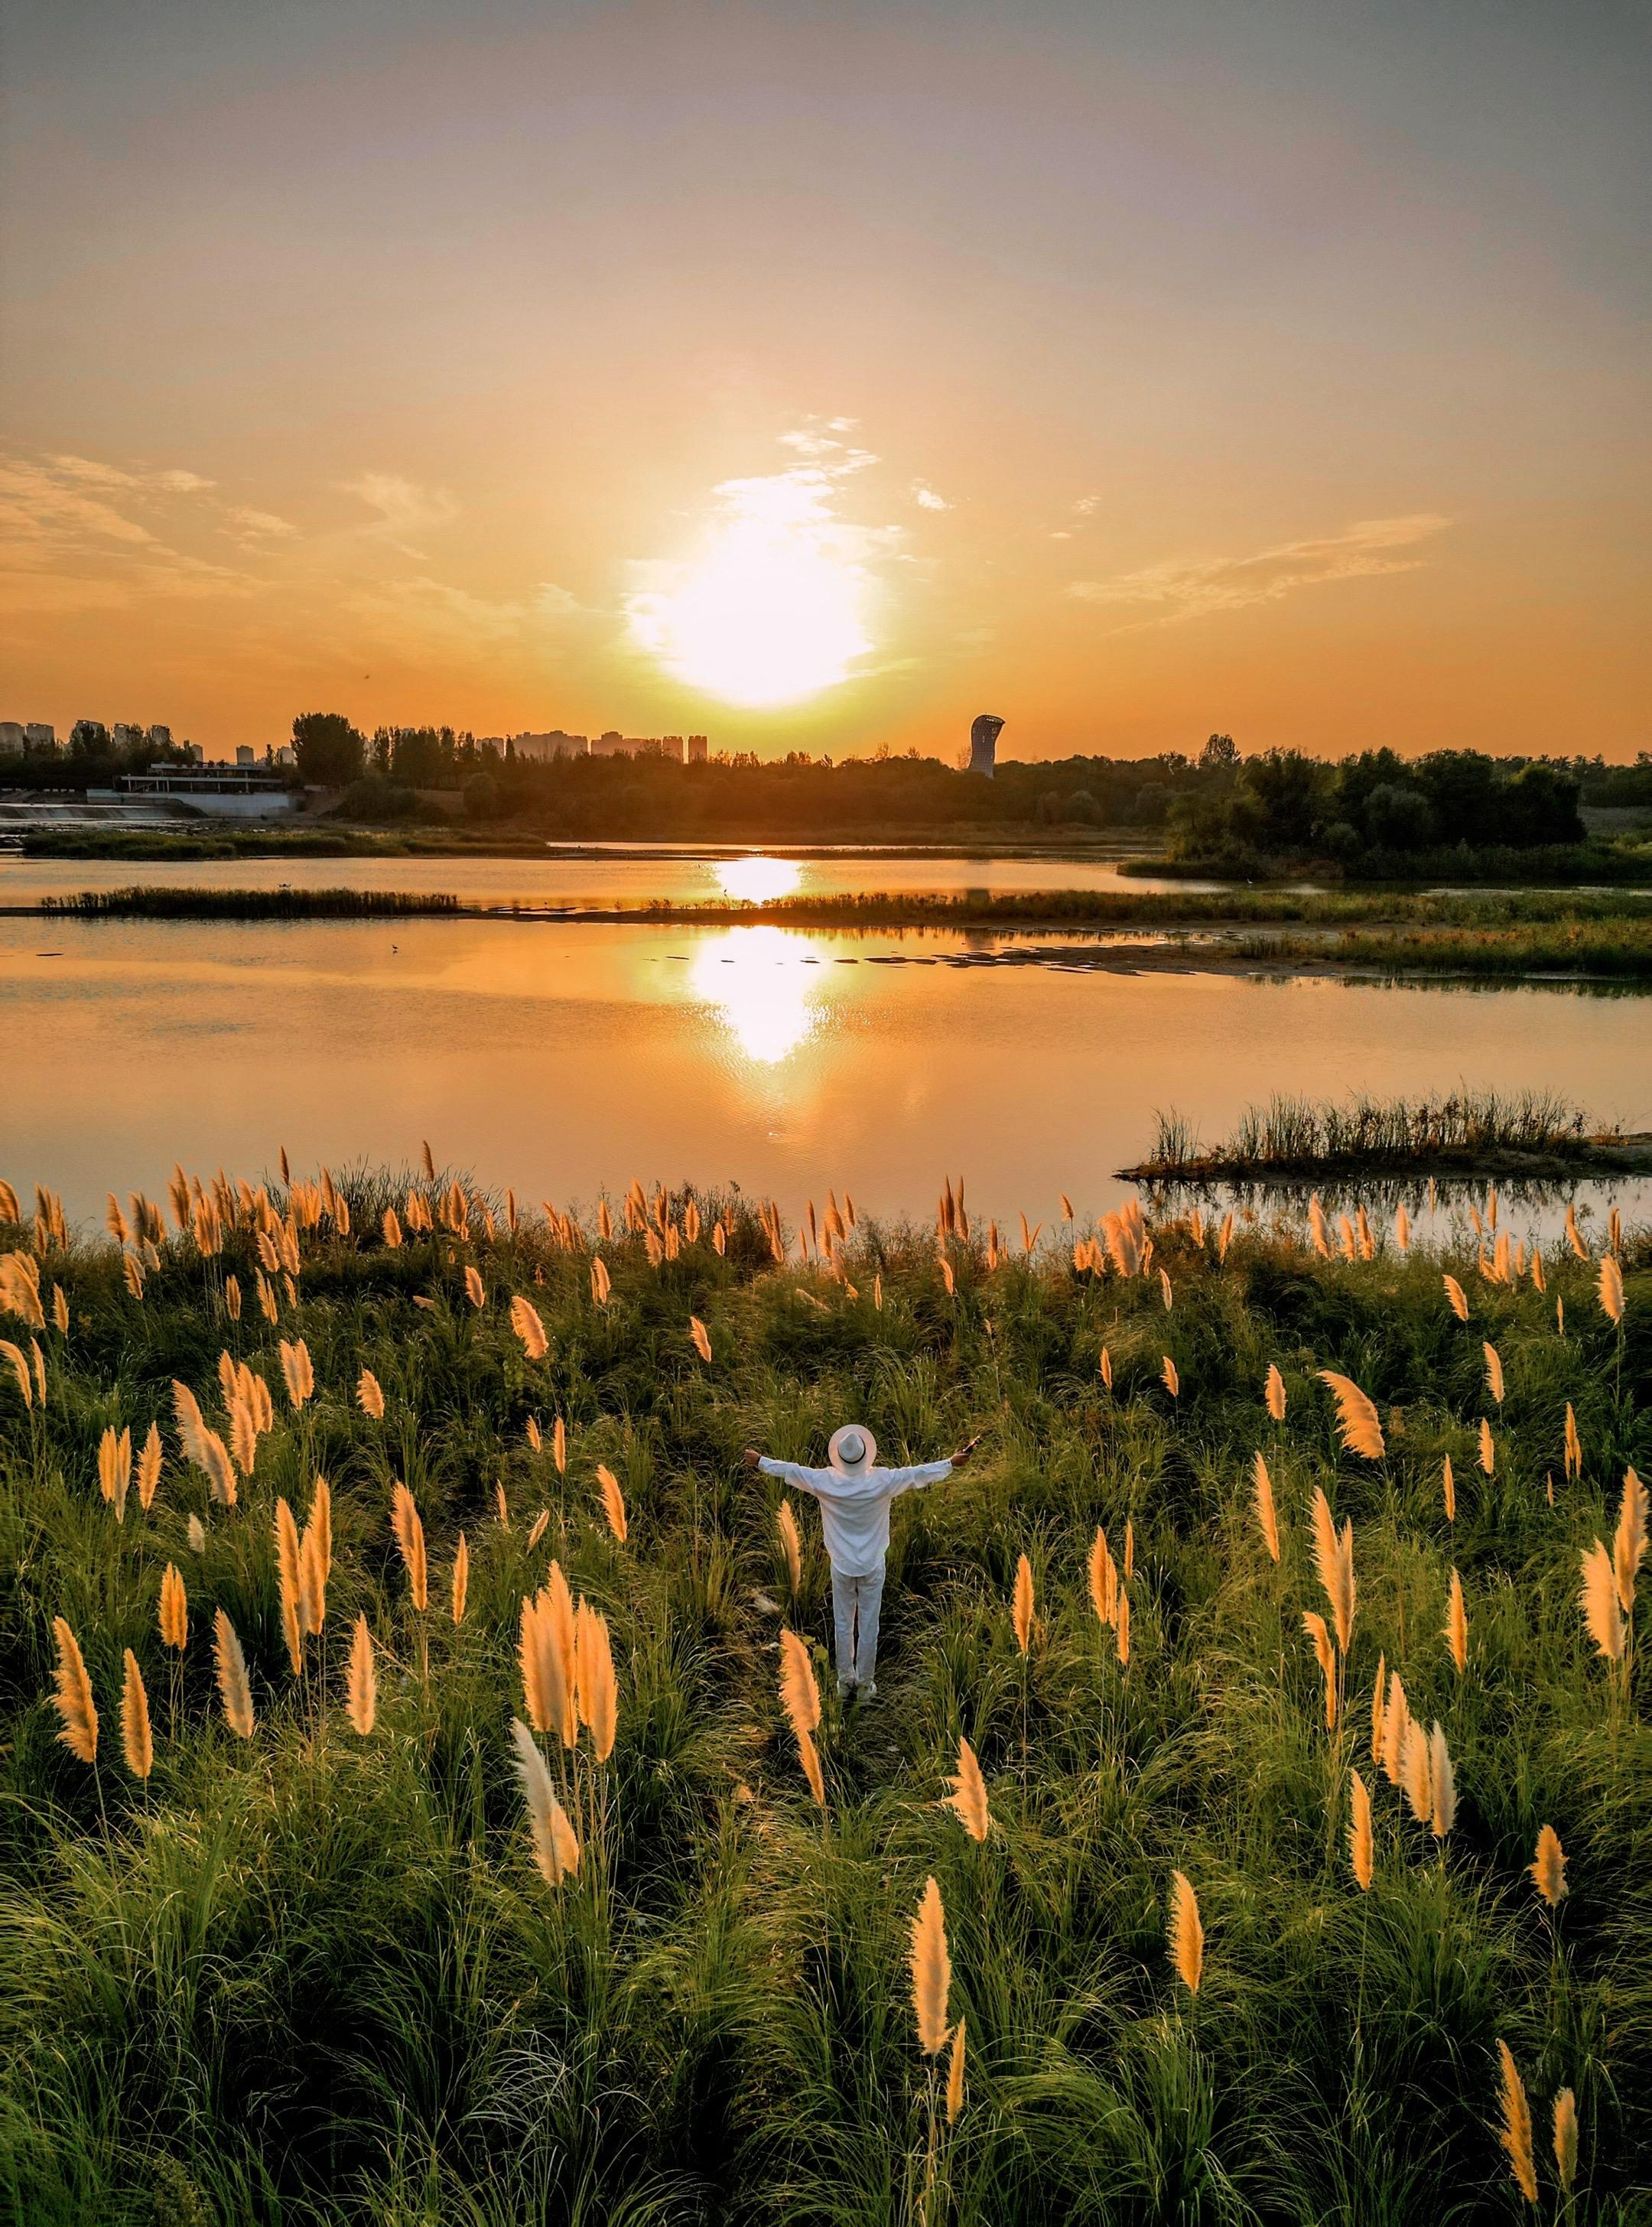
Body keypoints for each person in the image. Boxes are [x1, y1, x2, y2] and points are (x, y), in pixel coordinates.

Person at [744, 1426, 978, 1699]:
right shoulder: (882, 1481)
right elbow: (917, 1474)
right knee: (869, 1626)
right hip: (872, 1566)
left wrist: (761, 1461)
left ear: (839, 1458)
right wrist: (950, 1463)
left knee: (843, 1624)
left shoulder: (826, 1482)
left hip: (842, 1566)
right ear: (866, 1455)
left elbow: (792, 1471)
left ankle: (845, 1682)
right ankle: (865, 1685)